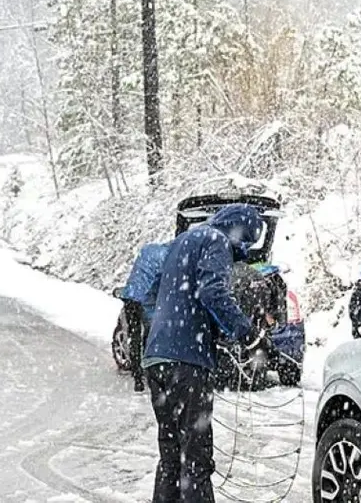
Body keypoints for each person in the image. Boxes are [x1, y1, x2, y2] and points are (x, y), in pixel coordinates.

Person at [142, 204, 264, 503]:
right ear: (239, 232)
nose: (241, 252)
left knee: (171, 457)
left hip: (156, 358)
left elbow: (150, 294)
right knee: (196, 457)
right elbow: (213, 292)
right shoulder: (216, 241)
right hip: (187, 362)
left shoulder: (181, 242)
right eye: (245, 243)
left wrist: (181, 328)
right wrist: (249, 336)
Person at [119, 241, 171, 392]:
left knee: (134, 335)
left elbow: (139, 275)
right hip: (145, 299)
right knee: (149, 337)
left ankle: (137, 377)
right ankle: (151, 374)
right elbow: (161, 283)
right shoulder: (168, 258)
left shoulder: (149, 250)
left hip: (131, 296)